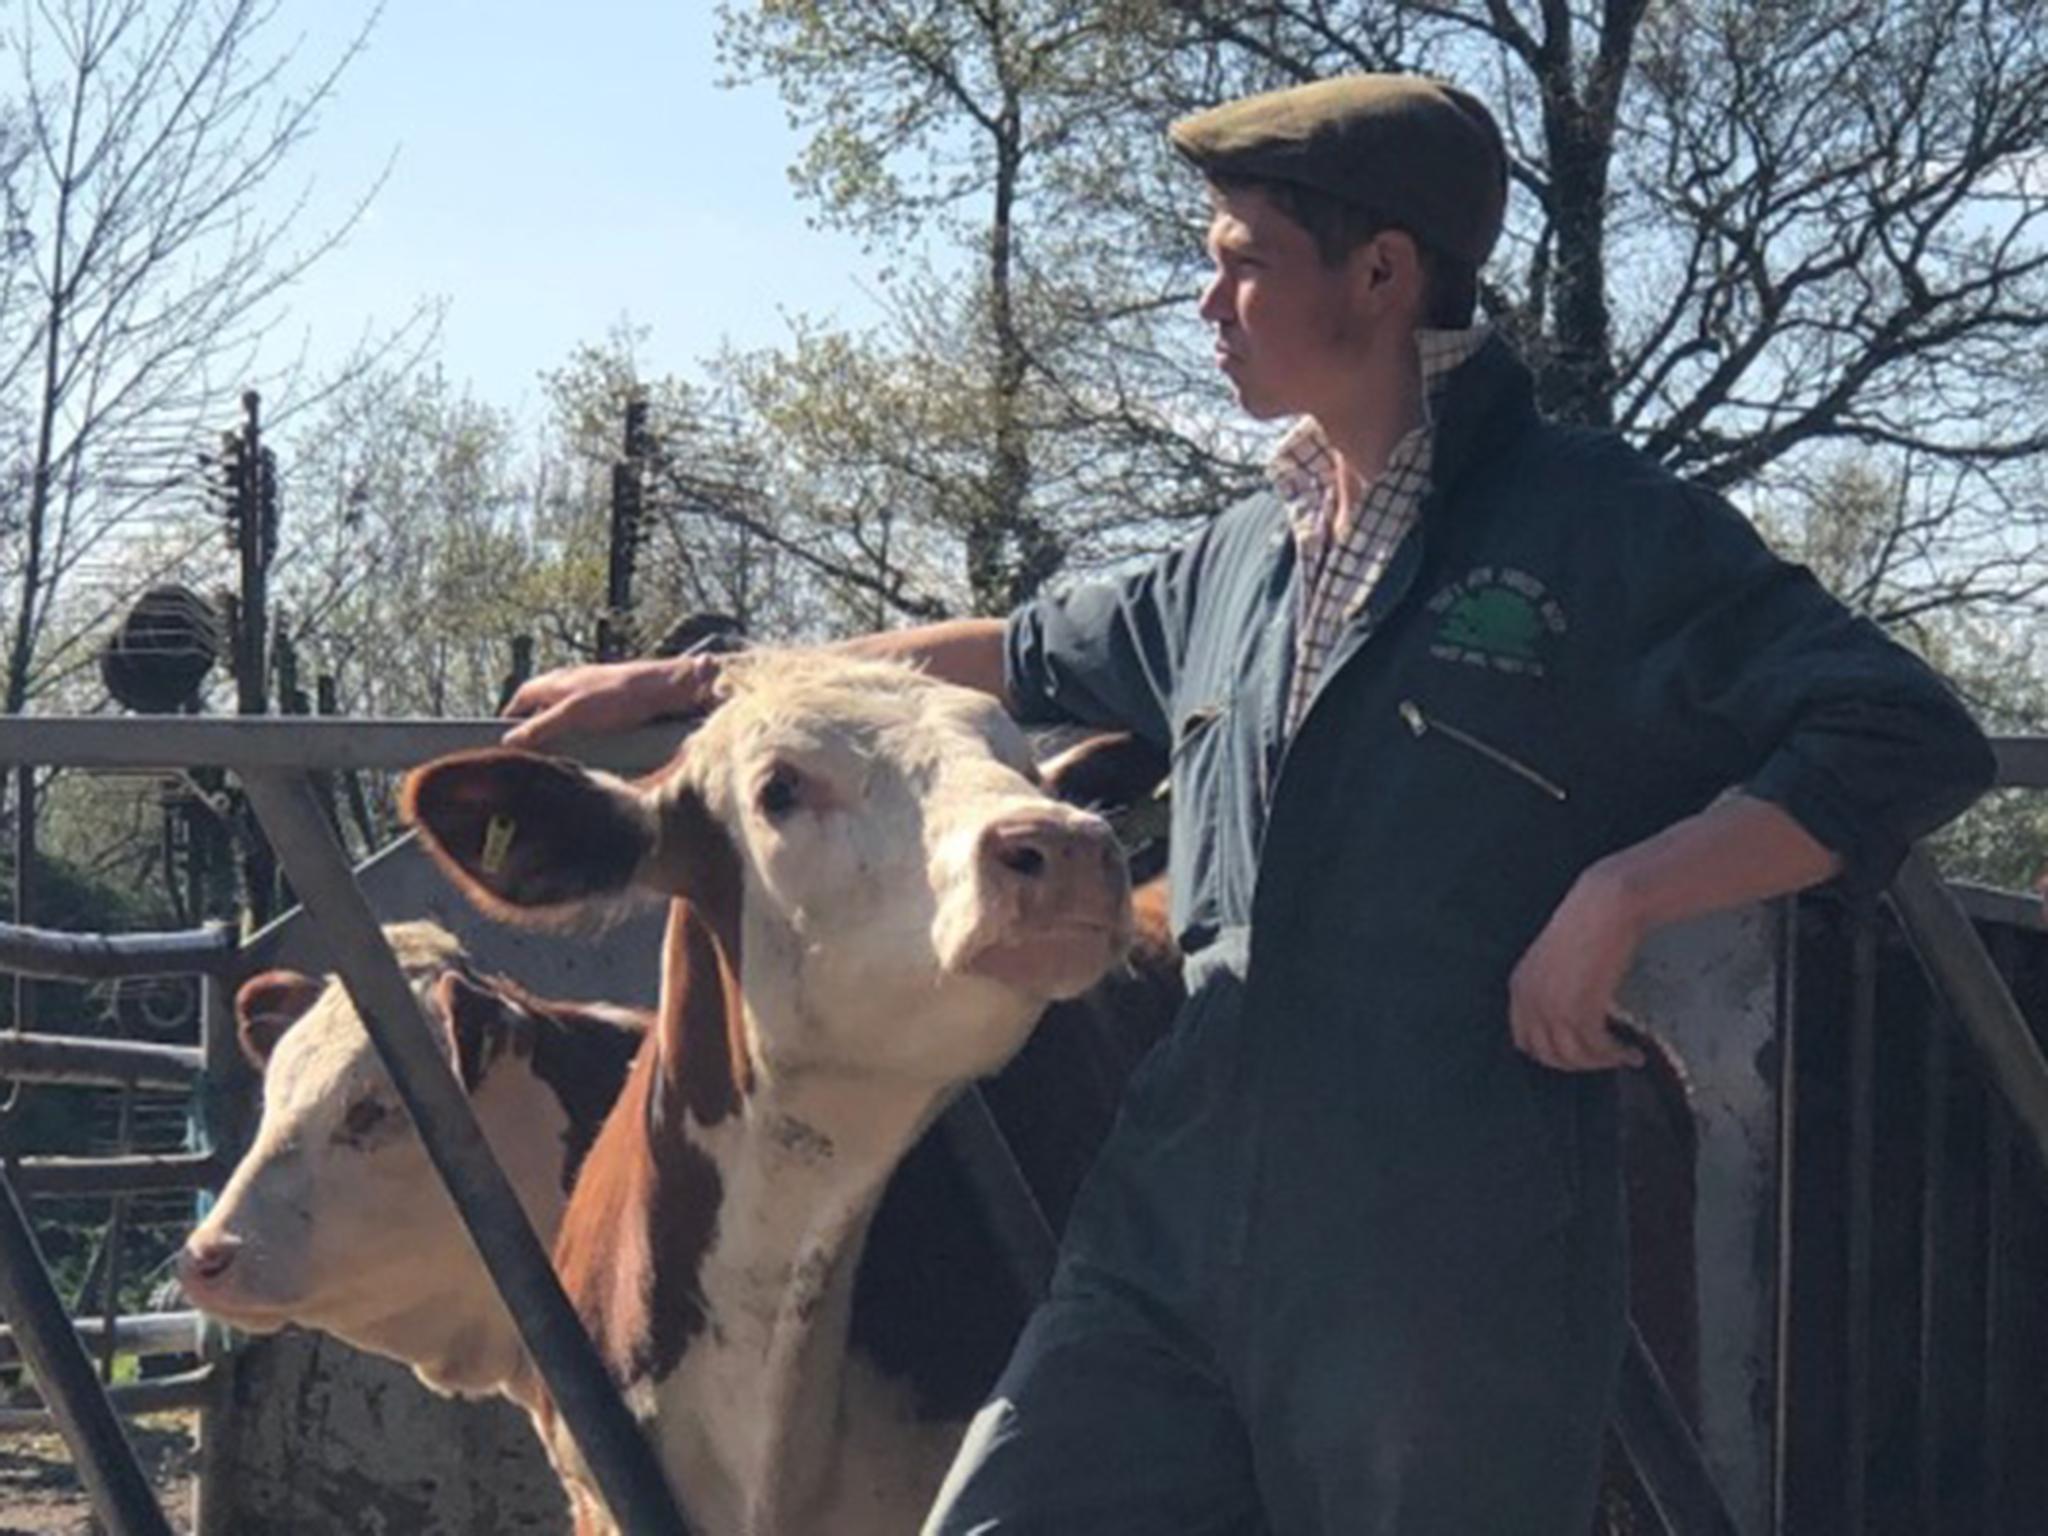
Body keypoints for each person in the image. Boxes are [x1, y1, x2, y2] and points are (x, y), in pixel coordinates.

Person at [503, 74, 1994, 1535]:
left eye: (1242, 267)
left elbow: (1899, 732)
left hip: (1442, 1241)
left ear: (1384, 273)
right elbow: (1008, 651)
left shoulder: (1599, 532)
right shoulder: (1238, 559)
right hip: (1173, 1211)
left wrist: (1627, 897)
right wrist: (695, 686)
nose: (1207, 308)